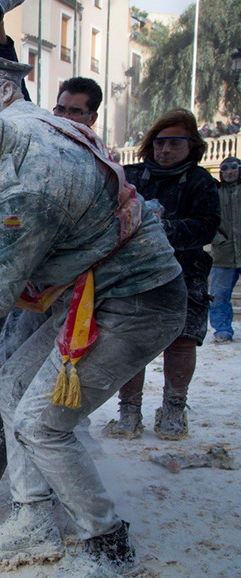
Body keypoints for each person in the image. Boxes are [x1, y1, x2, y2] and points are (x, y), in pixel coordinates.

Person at [0, 95, 185, 573]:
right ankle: (31, 520)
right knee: (10, 383)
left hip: (136, 301)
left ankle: (106, 541)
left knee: (41, 424)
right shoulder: (13, 122)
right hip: (92, 289)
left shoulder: (28, 192)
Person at [104, 109, 221, 440]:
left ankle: (173, 407)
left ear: (191, 146)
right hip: (133, 273)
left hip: (186, 272)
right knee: (130, 342)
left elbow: (207, 226)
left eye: (174, 144)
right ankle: (129, 410)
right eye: (159, 143)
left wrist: (161, 229)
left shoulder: (200, 182)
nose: (165, 150)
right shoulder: (132, 176)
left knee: (183, 341)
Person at [209, 156, 241, 343]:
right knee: (219, 295)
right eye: (225, 169)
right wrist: (217, 239)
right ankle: (222, 329)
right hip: (223, 254)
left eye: (234, 168)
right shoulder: (214, 193)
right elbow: (207, 219)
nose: (229, 172)